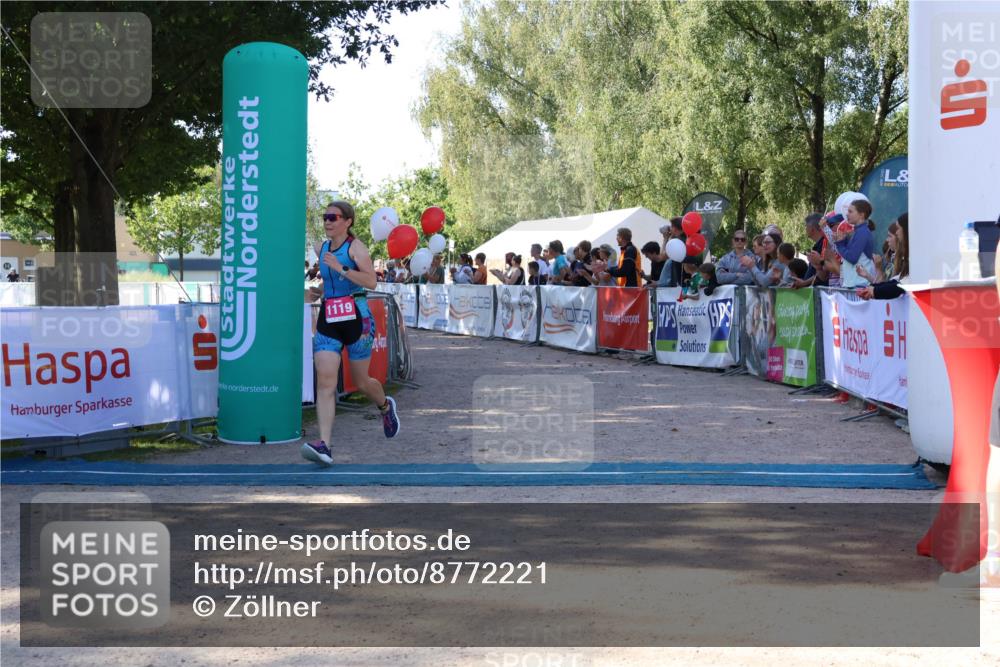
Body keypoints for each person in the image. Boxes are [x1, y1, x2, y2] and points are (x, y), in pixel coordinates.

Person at [302, 201, 400, 466]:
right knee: (325, 381)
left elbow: (371, 281)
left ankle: (384, 406)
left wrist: (341, 268)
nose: (327, 222)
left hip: (357, 318)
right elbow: (330, 284)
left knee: (362, 381)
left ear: (348, 221)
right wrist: (317, 293)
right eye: (325, 217)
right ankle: (324, 445)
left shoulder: (356, 248)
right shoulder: (321, 248)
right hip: (329, 319)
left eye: (333, 217)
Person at [857, 213, 909, 300]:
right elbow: (896, 282)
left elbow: (900, 285)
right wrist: (872, 288)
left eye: (899, 228)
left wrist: (874, 290)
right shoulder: (903, 258)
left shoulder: (912, 257)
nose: (897, 232)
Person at [833, 199, 876, 288]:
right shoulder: (859, 231)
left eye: (850, 211)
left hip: (859, 285)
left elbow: (852, 258)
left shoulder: (862, 232)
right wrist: (843, 241)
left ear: (861, 215)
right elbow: (850, 254)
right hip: (855, 284)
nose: (847, 214)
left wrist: (840, 244)